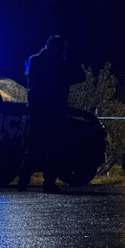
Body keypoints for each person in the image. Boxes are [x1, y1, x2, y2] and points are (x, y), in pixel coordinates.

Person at [17, 35, 83, 193]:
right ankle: (48, 182)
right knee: (53, 148)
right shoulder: (57, 64)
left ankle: (24, 180)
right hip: (53, 111)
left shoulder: (35, 61)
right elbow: (79, 76)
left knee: (34, 147)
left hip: (39, 111)